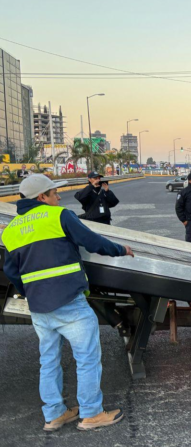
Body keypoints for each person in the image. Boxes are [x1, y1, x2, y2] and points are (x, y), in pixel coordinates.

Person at [2, 174, 134, 431]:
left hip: (39, 308)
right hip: (69, 302)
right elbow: (92, 242)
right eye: (53, 193)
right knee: (87, 358)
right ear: (41, 198)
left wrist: (29, 292)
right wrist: (121, 249)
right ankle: (91, 414)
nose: (58, 196)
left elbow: (11, 272)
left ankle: (54, 414)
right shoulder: (58, 216)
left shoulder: (12, 230)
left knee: (48, 360)